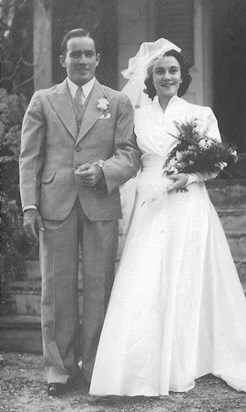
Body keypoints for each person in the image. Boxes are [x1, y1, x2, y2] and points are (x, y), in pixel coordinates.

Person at [89, 38, 246, 396]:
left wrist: (188, 176)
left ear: (182, 75)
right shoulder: (138, 115)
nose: (166, 76)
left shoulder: (200, 113)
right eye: (159, 71)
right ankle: (143, 359)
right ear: (150, 78)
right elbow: (127, 156)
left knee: (185, 272)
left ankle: (187, 357)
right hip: (149, 196)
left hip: (187, 199)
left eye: (172, 70)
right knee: (146, 272)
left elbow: (217, 160)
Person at [19, 28, 140, 397]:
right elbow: (29, 157)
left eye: (89, 54)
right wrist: (29, 204)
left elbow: (130, 154)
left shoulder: (116, 101)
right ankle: (59, 369)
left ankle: (94, 366)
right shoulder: (43, 99)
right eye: (75, 55)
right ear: (62, 59)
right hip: (55, 204)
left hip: (99, 202)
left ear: (99, 58)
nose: (82, 61)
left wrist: (104, 170)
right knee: (56, 289)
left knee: (100, 287)